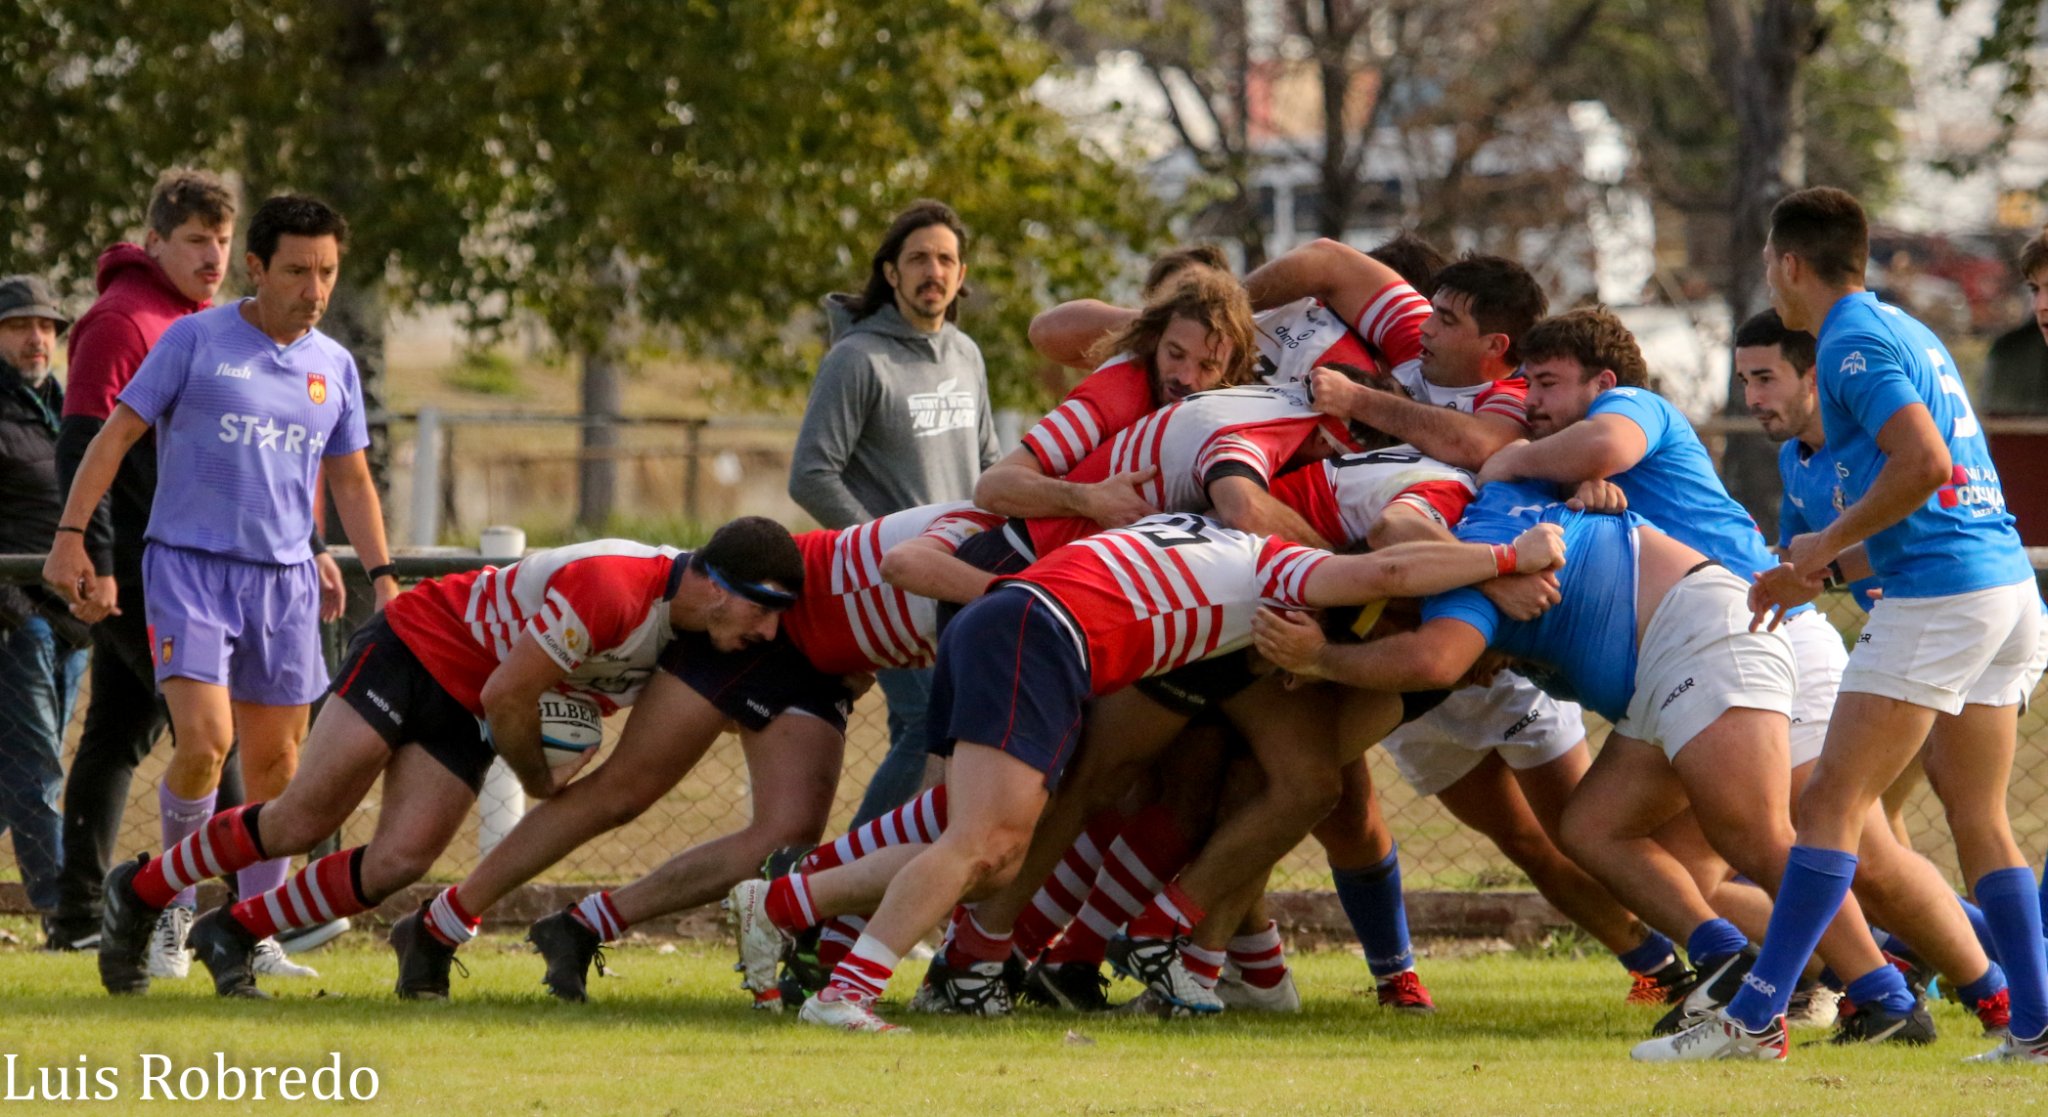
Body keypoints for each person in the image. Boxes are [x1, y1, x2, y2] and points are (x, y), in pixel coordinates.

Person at [728, 511, 1567, 1033]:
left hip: (1010, 623)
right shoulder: (1279, 566)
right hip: (1038, 633)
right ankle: (847, 990)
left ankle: (782, 902)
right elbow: (1385, 571)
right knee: (984, 843)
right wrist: (1503, 557)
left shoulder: (1200, 528)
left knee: (990, 845)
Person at [1487, 306, 2005, 1040]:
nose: (1530, 402)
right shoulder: (1781, 462)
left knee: (1854, 853)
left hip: (1773, 638)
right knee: (1658, 854)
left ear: (1601, 382)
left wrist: (1509, 460)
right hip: (1702, 654)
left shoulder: (1629, 408)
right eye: (1744, 379)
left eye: (1546, 382)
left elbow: (1603, 444)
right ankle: (1818, 972)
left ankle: (1994, 991)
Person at [1251, 480, 1902, 1059]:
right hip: (1671, 660)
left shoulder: (1470, 566)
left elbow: (1434, 659)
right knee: (1593, 827)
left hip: (1702, 637)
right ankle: (1723, 958)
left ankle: (1881, 996)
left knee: (1758, 838)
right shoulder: (1506, 509)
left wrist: (1319, 657)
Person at [1641, 187, 2048, 1063]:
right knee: (1979, 820)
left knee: (1829, 804)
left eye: (1766, 265)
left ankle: (1753, 1019)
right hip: (2004, 585)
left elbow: (1926, 463)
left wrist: (1822, 543)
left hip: (1941, 595)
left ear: (1789, 264)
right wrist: (1816, 569)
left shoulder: (1853, 338)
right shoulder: (1910, 328)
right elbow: (1930, 489)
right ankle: (2040, 1026)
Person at [92, 521, 799, 998]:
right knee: (303, 818)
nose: (768, 629)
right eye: (763, 608)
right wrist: (537, 778)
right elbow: (507, 693)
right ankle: (142, 889)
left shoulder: (696, 641)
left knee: (401, 859)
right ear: (714, 584)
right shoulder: (614, 588)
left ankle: (234, 928)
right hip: (418, 648)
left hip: (472, 710)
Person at [44, 194, 398, 995]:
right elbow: (113, 436)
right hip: (188, 569)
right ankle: (165, 902)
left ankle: (252, 929)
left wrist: (381, 574)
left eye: (329, 273)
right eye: (299, 270)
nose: (315, 288)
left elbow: (349, 479)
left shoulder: (332, 365)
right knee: (205, 741)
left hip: (285, 583)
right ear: (258, 267)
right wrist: (71, 537)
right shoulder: (194, 340)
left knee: (279, 764)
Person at [45, 170, 279, 959]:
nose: (213, 256)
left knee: (117, 733)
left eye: (222, 240)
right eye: (195, 242)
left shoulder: (197, 321)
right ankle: (238, 923)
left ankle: (79, 914)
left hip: (184, 563)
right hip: (147, 568)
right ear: (154, 243)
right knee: (218, 735)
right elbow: (86, 442)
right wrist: (94, 554)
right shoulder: (121, 319)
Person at [789, 200, 1000, 827]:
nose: (932, 271)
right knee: (926, 725)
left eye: (945, 260)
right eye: (917, 259)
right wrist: (877, 549)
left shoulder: (967, 355)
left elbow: (988, 464)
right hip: (890, 580)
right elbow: (811, 474)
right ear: (890, 272)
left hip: (958, 576)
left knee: (934, 733)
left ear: (961, 276)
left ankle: (864, 896)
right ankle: (831, 893)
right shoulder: (856, 359)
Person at [0, 275, 89, 929]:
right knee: (36, 769)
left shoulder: (68, 407)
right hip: (15, 621)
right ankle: (66, 912)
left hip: (71, 624)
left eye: (47, 327)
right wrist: (18, 613)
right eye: (19, 325)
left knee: (16, 777)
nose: (36, 338)